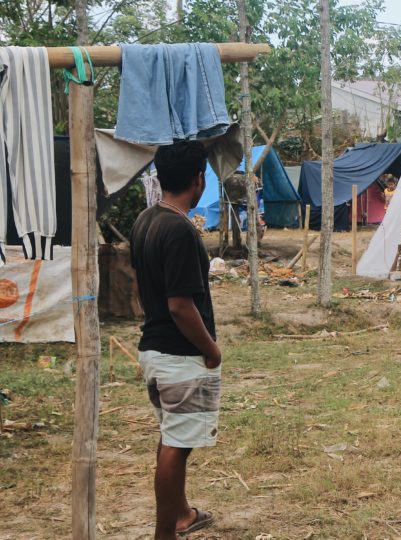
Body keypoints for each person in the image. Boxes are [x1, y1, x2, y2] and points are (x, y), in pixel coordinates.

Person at [130, 141, 221, 539]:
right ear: (199, 179)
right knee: (178, 446)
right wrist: (211, 349)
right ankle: (165, 532)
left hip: (154, 347)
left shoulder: (146, 220)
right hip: (179, 353)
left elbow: (143, 287)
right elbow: (182, 305)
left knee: (172, 436)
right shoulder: (180, 230)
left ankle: (181, 513)